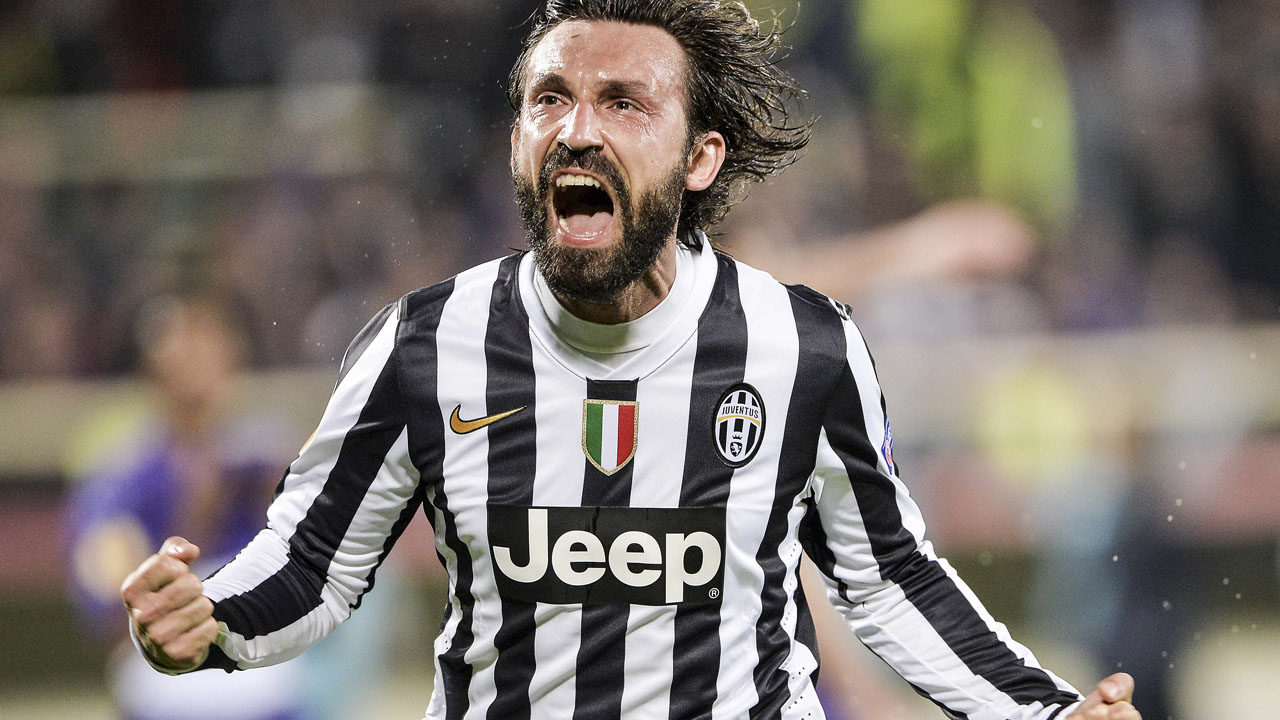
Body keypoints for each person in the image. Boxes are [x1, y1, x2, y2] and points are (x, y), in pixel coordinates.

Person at [119, 2, 1141, 718]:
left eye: (623, 102)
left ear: (699, 158)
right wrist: (209, 619)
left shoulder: (800, 347)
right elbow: (311, 563)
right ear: (516, 141)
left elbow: (886, 582)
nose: (576, 130)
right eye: (549, 99)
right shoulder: (425, 345)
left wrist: (1042, 711)